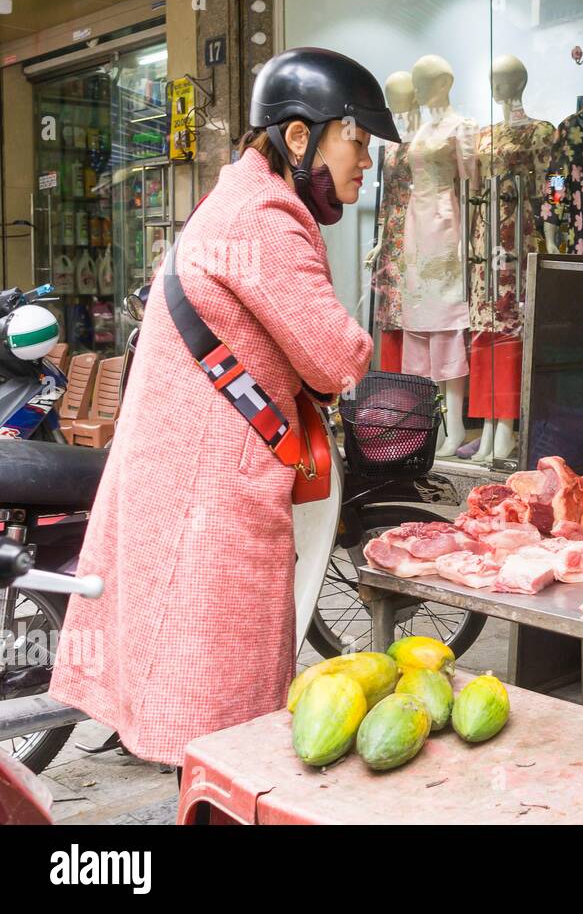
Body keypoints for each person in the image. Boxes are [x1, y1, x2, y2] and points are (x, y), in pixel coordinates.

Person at [51, 48, 400, 770]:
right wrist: (359, 341)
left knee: (196, 706)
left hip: (190, 482)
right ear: (300, 137)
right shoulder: (264, 216)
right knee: (223, 725)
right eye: (356, 141)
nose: (365, 163)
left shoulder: (239, 197)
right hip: (209, 499)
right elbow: (336, 358)